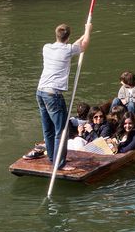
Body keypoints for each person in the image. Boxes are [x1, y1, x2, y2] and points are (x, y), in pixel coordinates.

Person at [34, 20, 92, 169]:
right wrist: (88, 29)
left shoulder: (46, 47)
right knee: (62, 131)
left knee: (48, 128)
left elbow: (73, 45)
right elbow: (84, 45)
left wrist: (80, 37)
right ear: (68, 37)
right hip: (53, 95)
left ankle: (53, 158)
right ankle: (60, 164)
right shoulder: (68, 50)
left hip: (40, 92)